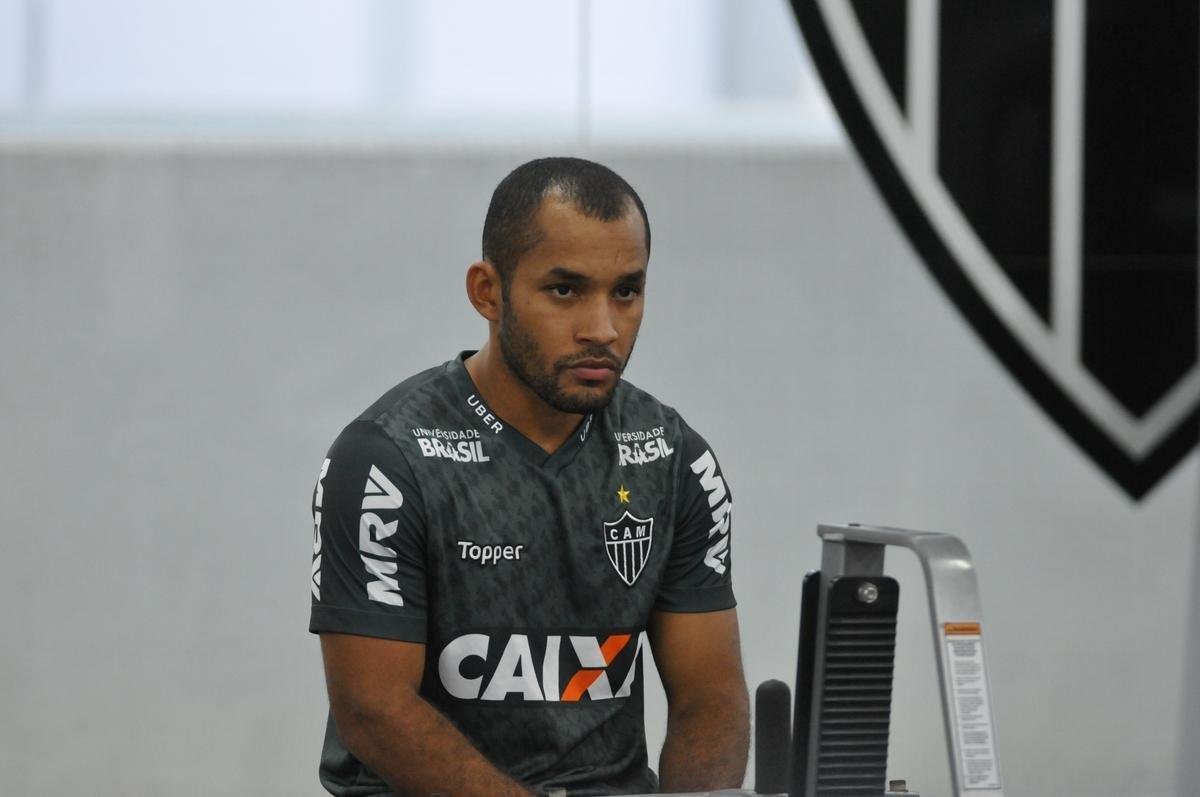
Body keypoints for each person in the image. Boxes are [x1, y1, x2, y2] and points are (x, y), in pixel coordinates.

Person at [309, 156, 749, 796]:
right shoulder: (386, 459)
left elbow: (710, 699)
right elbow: (374, 713)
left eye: (625, 291)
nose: (602, 329)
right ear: (487, 291)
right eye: (565, 290)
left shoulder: (674, 457)